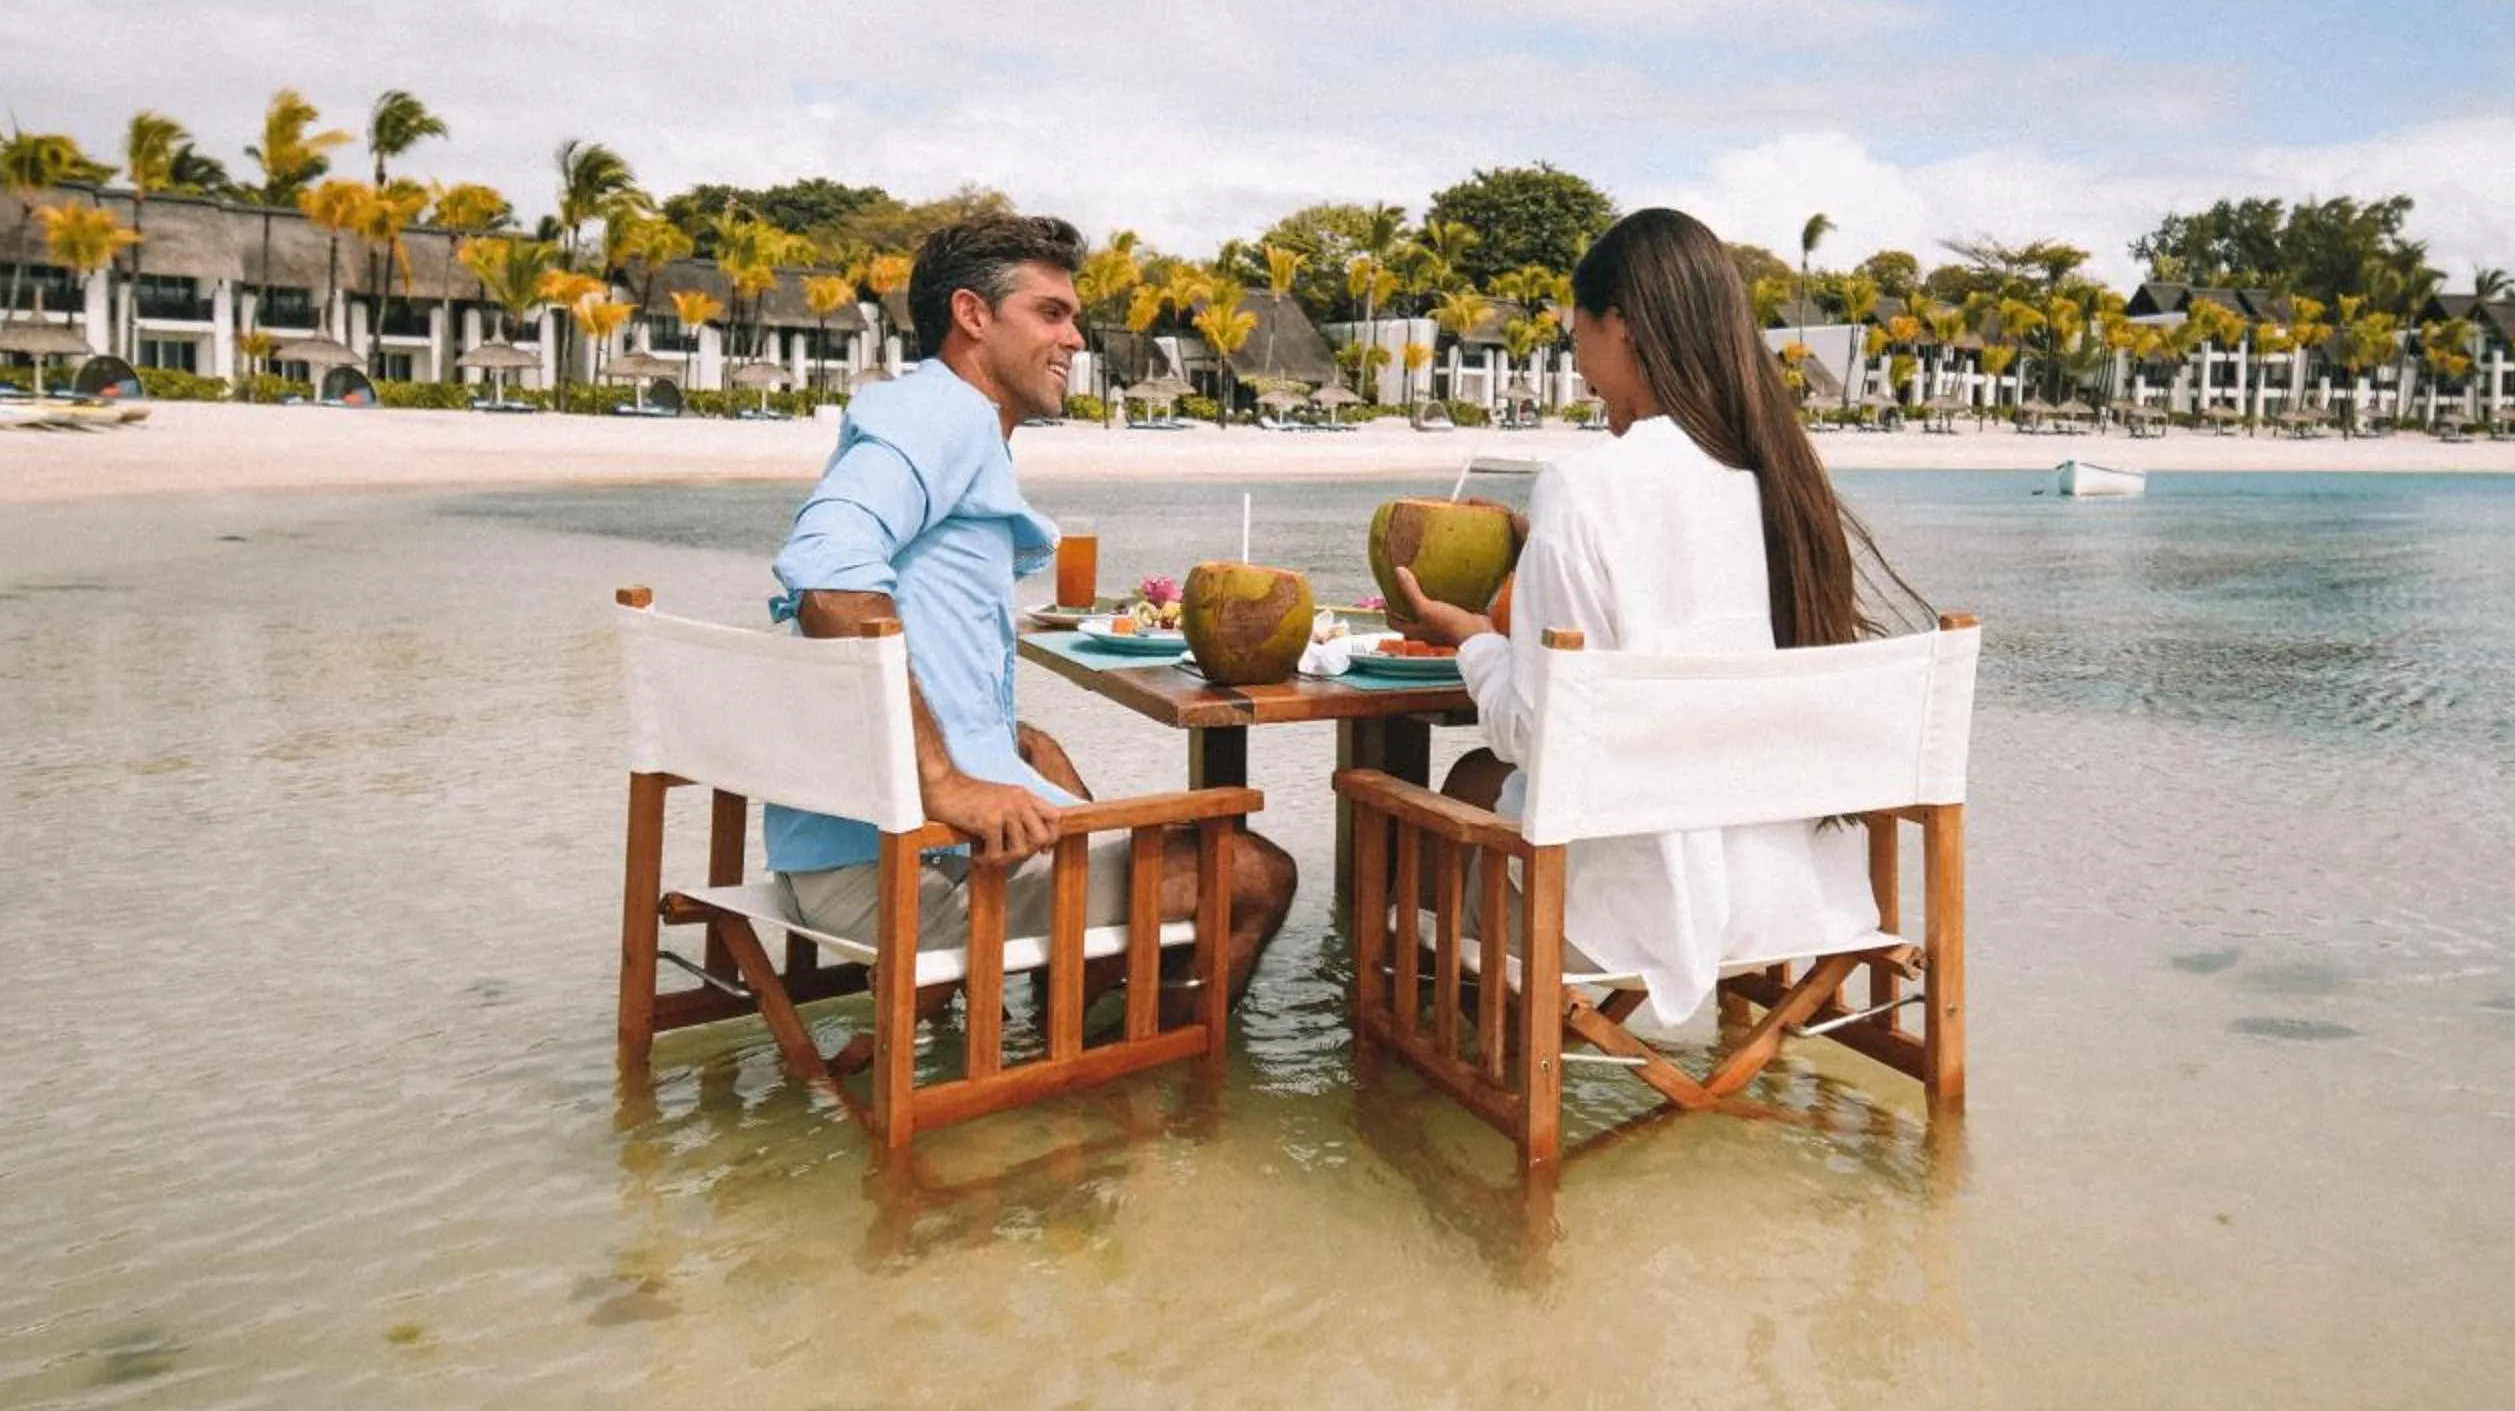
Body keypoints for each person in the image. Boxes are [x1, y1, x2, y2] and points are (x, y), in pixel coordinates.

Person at [1394, 206, 1928, 1025]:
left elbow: (1538, 733)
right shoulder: (1788, 490)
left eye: (1580, 342)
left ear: (1624, 327)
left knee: (1397, 820)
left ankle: (1425, 1076)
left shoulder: (1583, 488)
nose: (1582, 372)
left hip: (1637, 917)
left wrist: (1473, 640)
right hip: (1801, 902)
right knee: (1477, 783)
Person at [764, 210, 1297, 1009]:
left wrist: (998, 743)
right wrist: (942, 780)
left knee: (1044, 756)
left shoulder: (948, 421)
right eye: (1051, 313)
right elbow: (827, 580)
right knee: (1253, 872)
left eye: (1073, 317)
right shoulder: (938, 415)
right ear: (973, 316)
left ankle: (1064, 1030)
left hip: (850, 845)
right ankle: (1161, 1094)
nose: (1076, 339)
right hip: (897, 864)